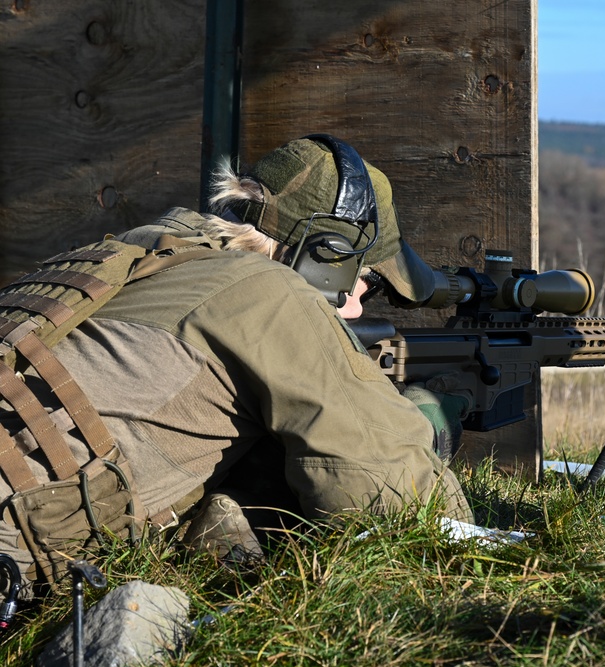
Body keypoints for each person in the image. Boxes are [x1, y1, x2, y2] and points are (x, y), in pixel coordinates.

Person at [0, 134, 473, 591]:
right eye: (368, 282)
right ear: (325, 260)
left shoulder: (125, 255)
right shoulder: (267, 290)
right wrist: (428, 423)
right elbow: (388, 497)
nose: (356, 309)